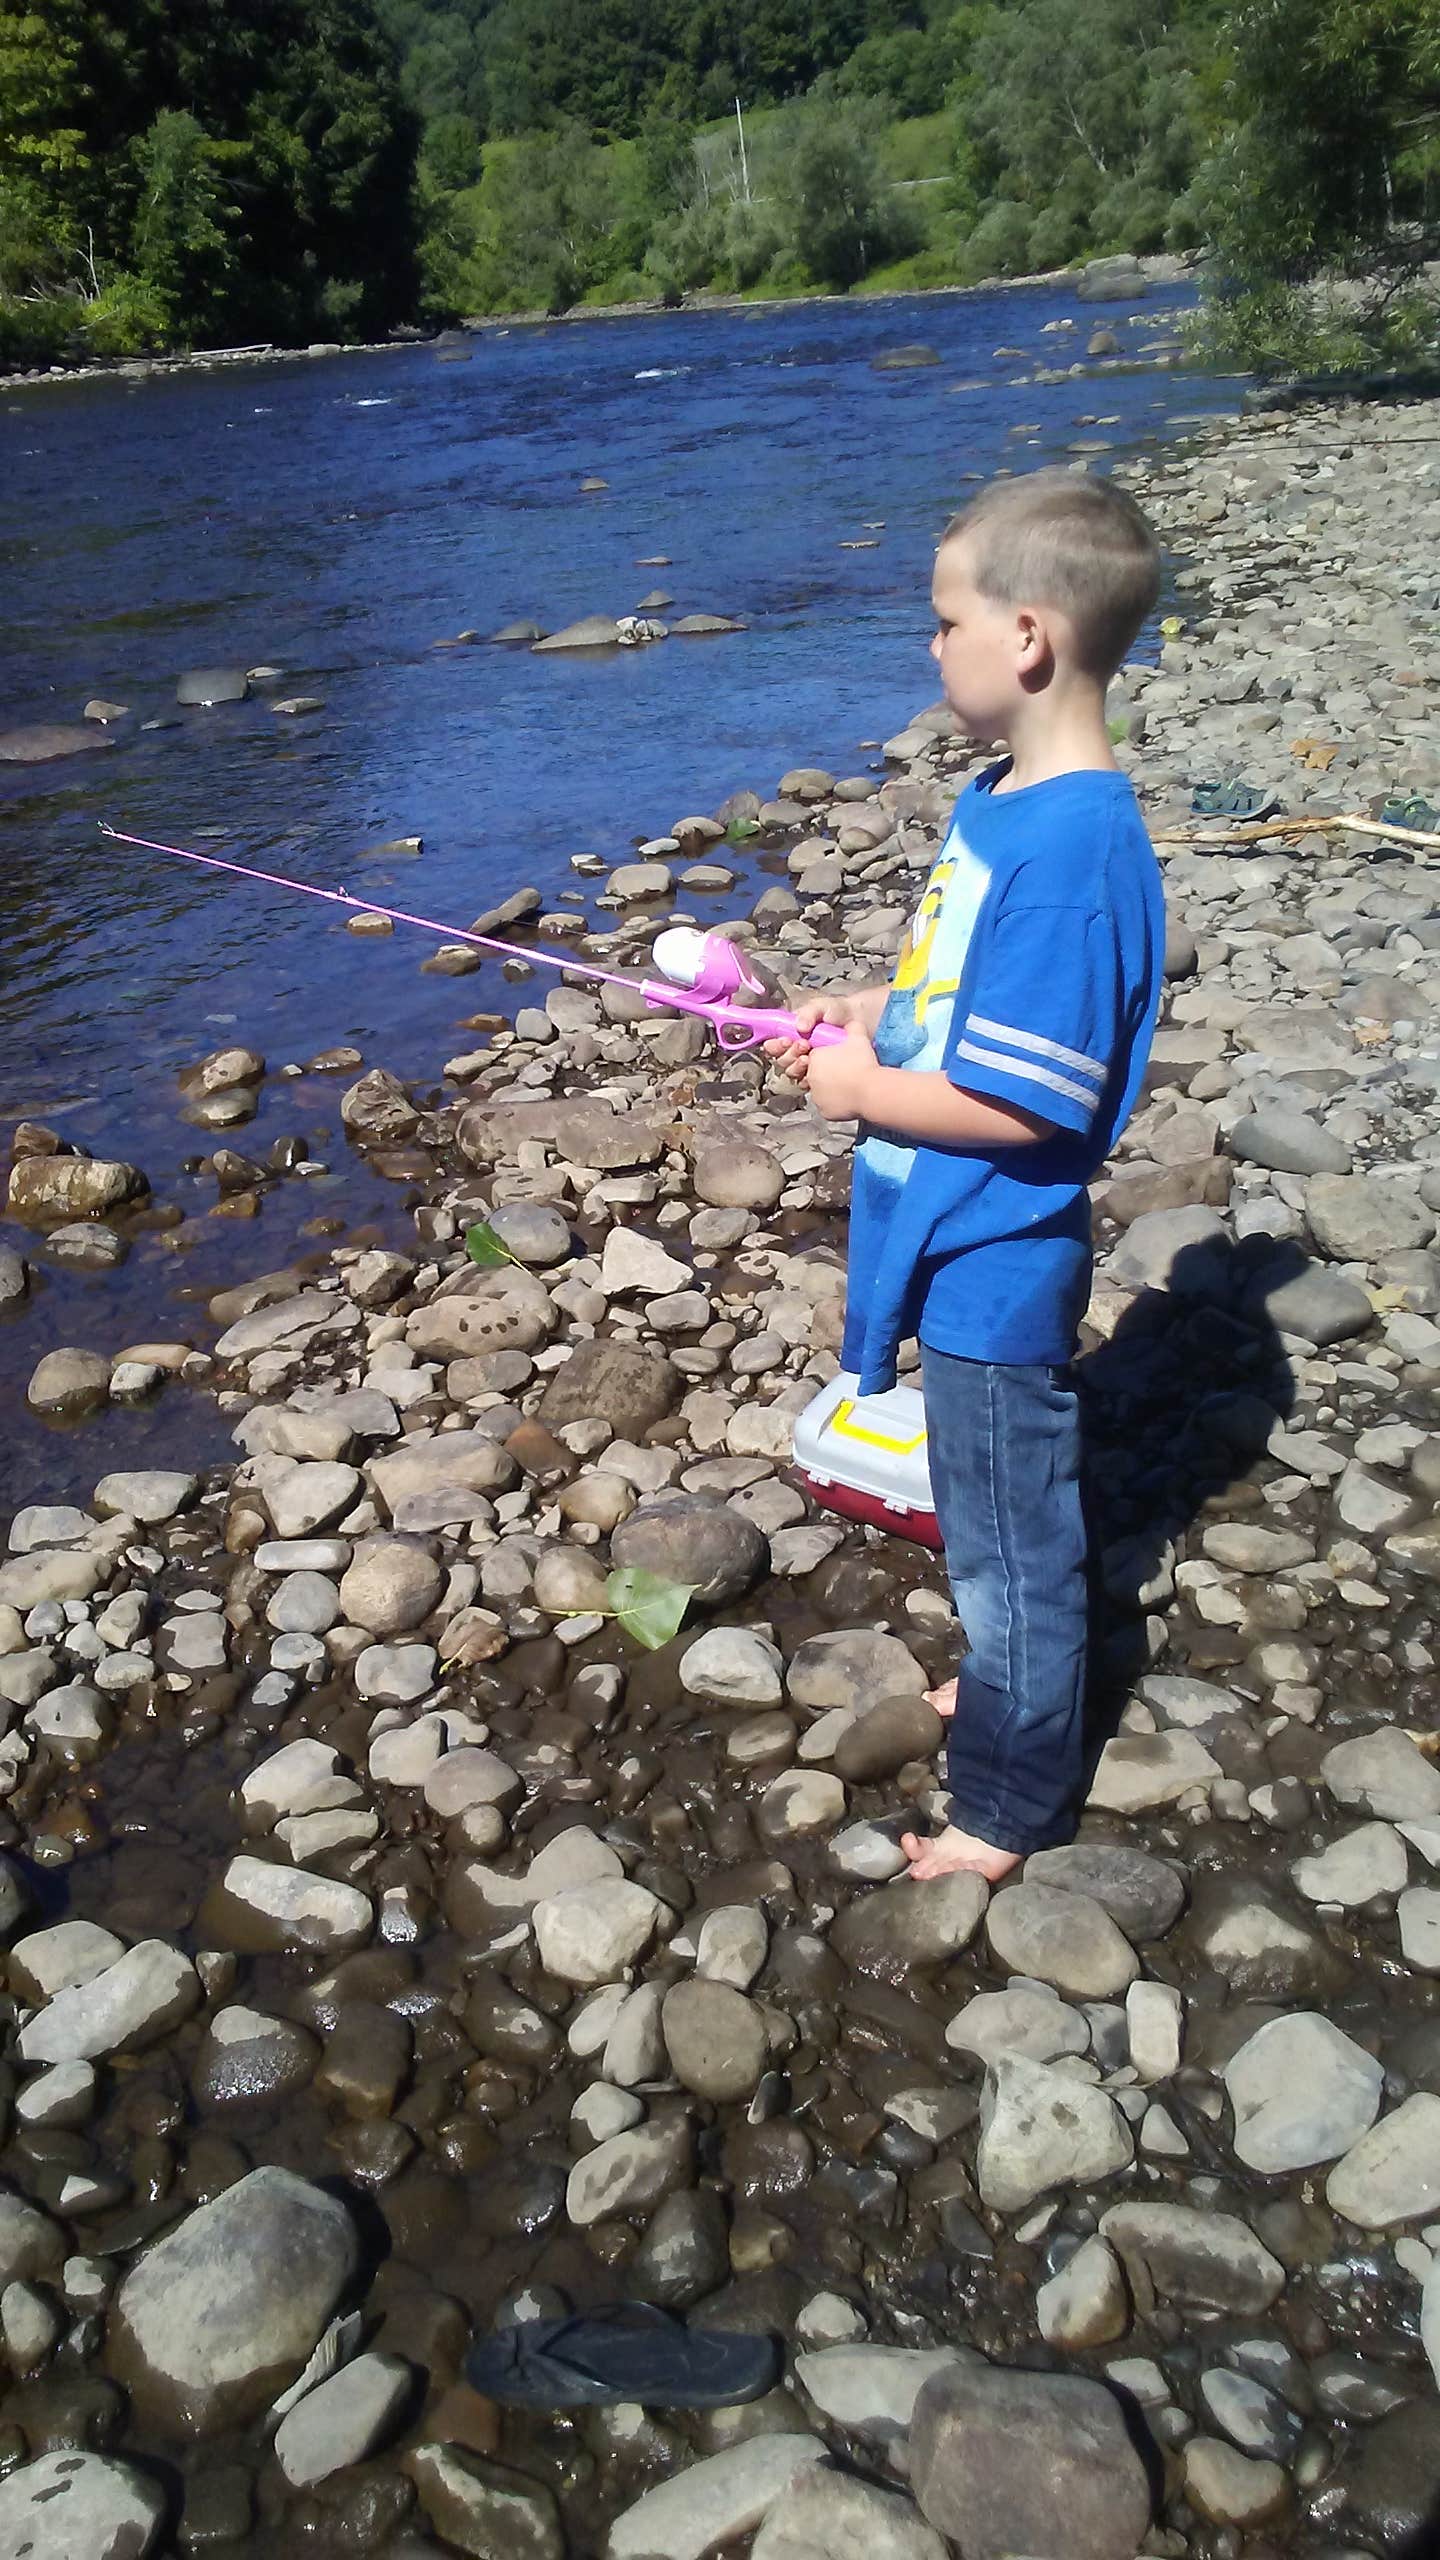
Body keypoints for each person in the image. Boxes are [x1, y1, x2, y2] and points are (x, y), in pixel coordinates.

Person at [768, 468, 1165, 1885]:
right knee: (986, 1506)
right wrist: (872, 1014)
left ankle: (1008, 1801)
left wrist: (865, 1095)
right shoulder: (1003, 800)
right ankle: (1011, 1682)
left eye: (945, 621)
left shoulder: (1072, 851)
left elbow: (1029, 1095)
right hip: (949, 1234)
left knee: (1011, 1544)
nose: (928, 647)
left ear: (1031, 638)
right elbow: (966, 998)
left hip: (998, 1254)